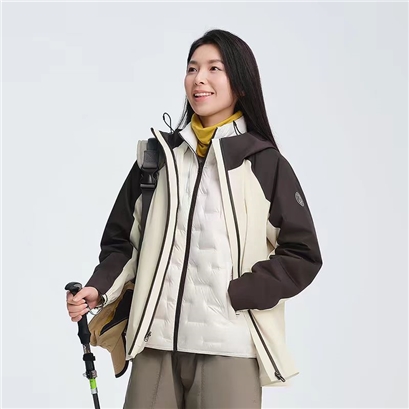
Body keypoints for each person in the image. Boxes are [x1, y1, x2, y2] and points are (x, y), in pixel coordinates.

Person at [66, 28, 323, 409]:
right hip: (154, 343)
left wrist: (239, 294)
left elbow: (303, 254)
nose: (199, 78)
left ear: (241, 83)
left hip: (229, 347)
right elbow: (123, 243)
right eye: (192, 68)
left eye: (214, 68)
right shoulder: (157, 159)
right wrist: (97, 288)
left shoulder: (264, 163)